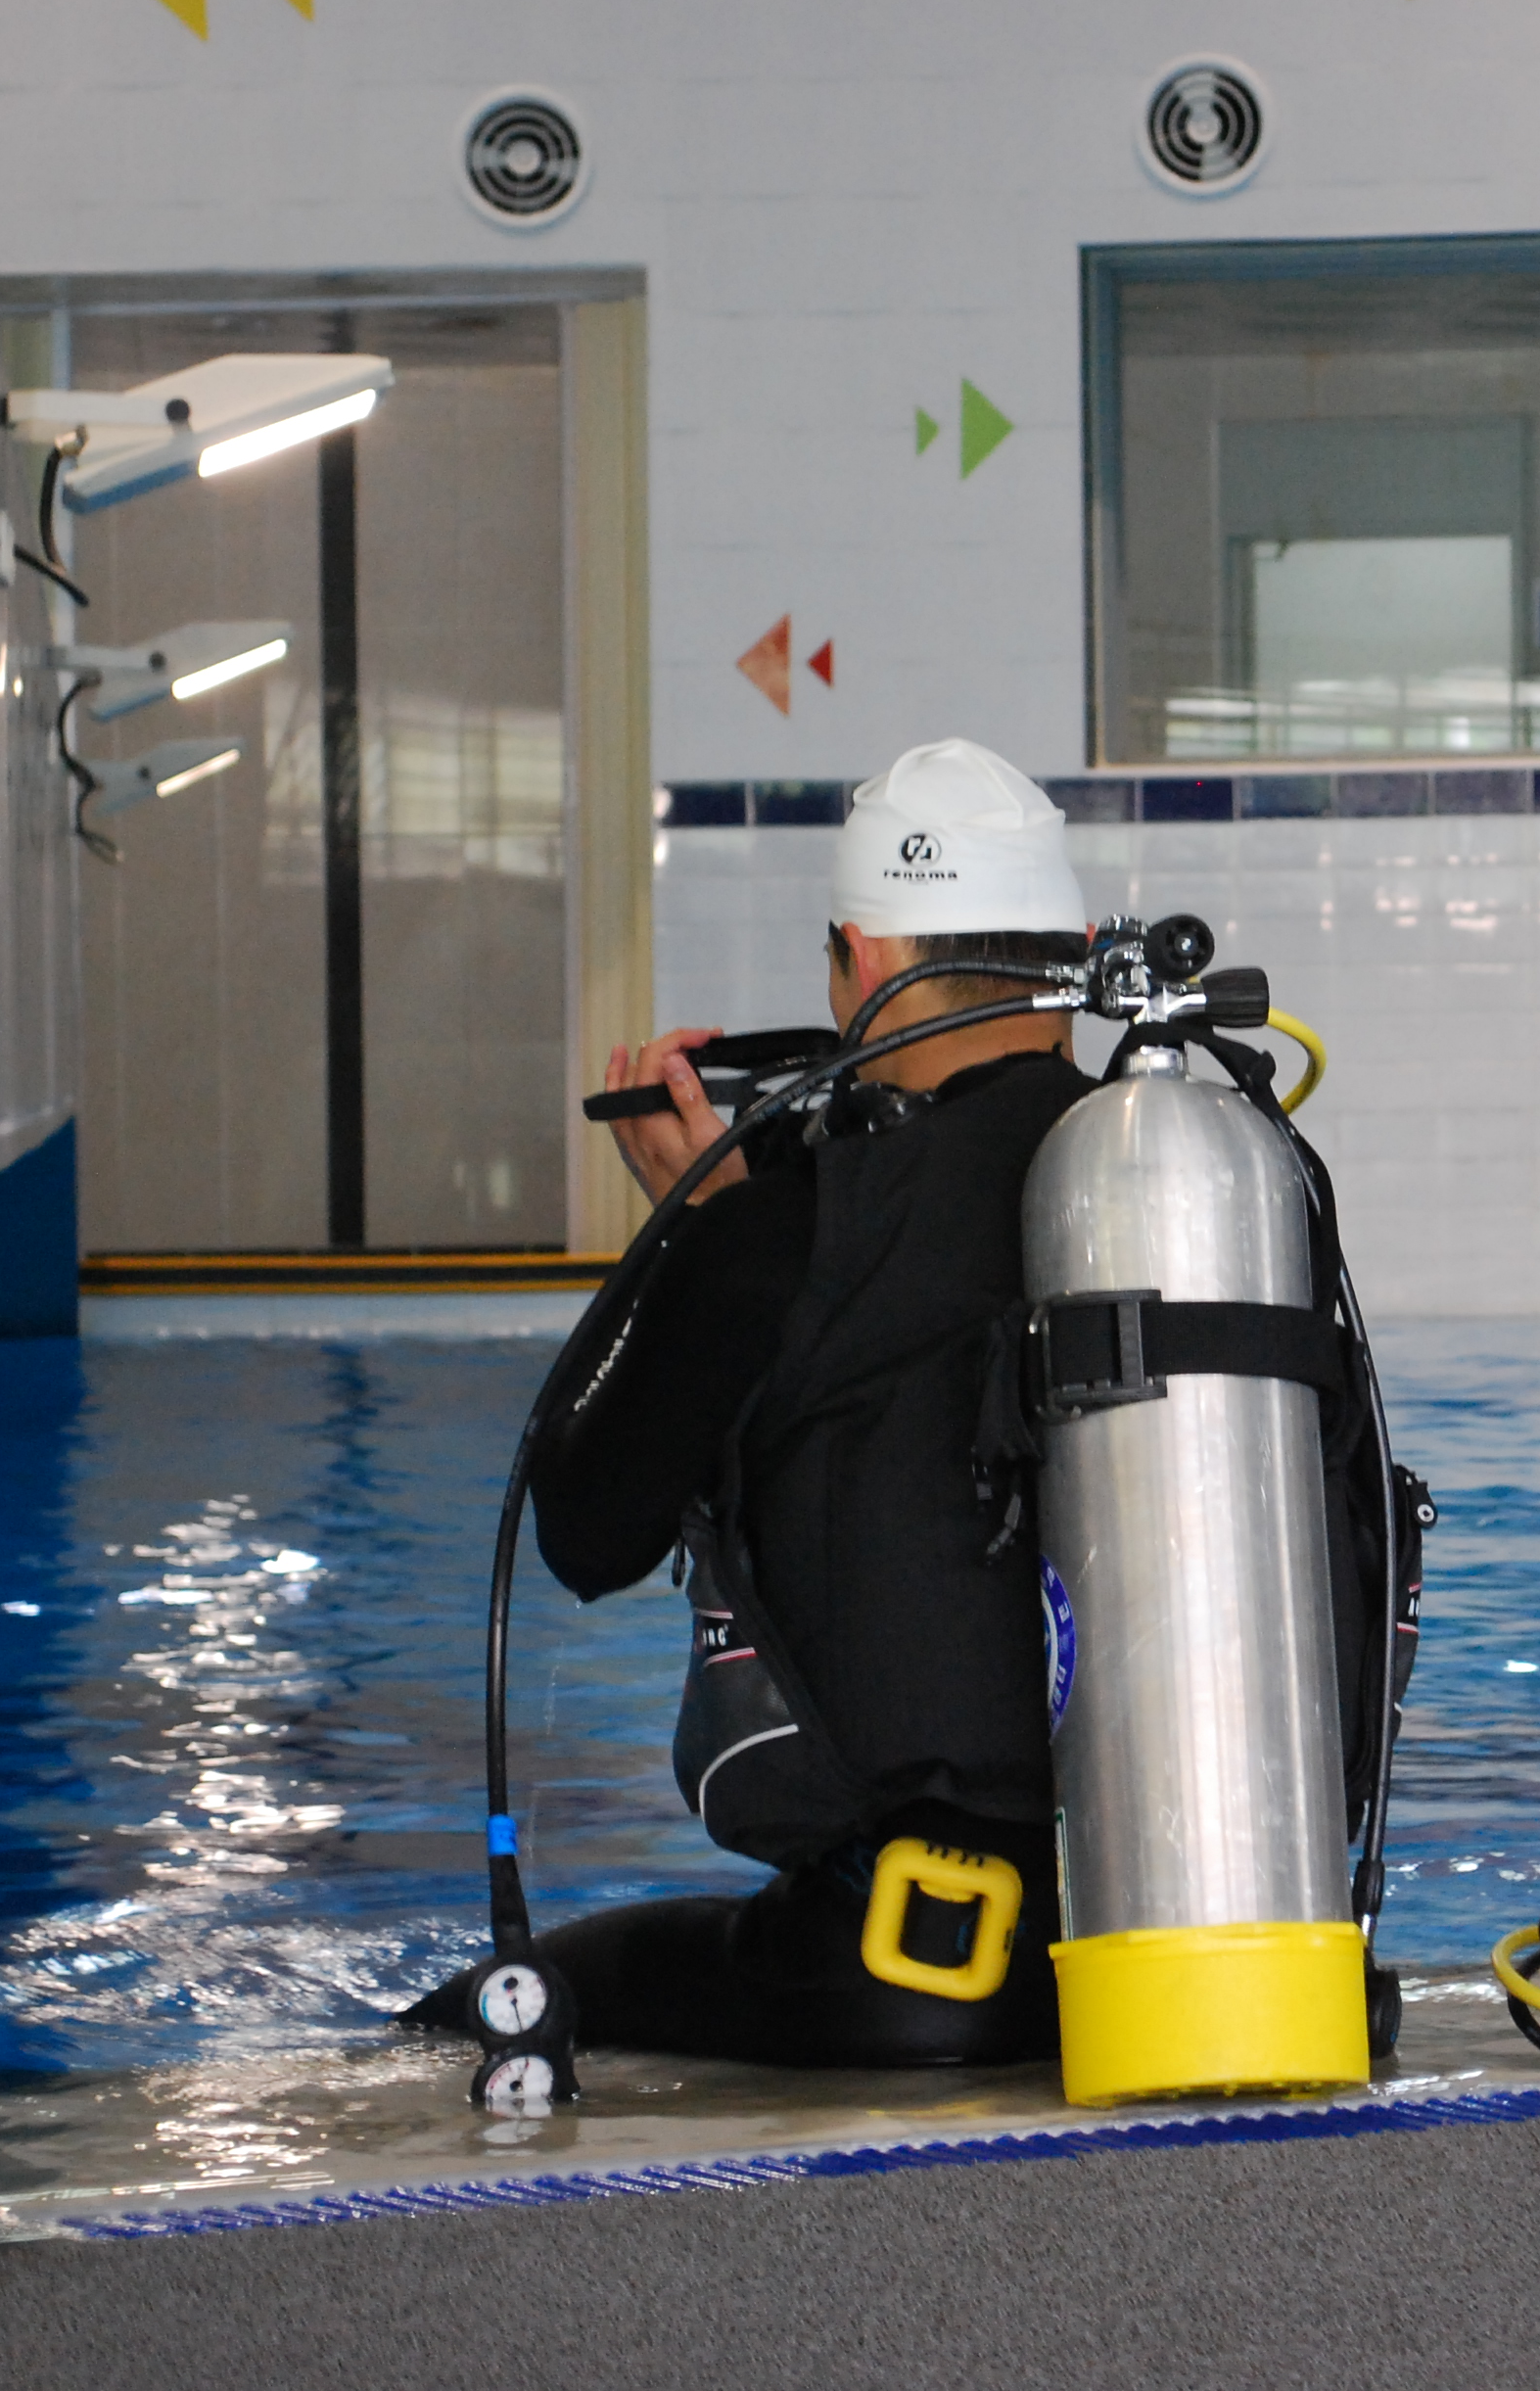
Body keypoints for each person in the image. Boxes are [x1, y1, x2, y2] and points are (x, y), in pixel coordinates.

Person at [407, 737, 1102, 2066]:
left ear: (864, 960)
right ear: (1072, 952)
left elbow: (586, 1530)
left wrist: (693, 1230)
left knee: (465, 2022)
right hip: (1191, 1937)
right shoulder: (1212, 1184)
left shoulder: (791, 1228)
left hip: (913, 1963)